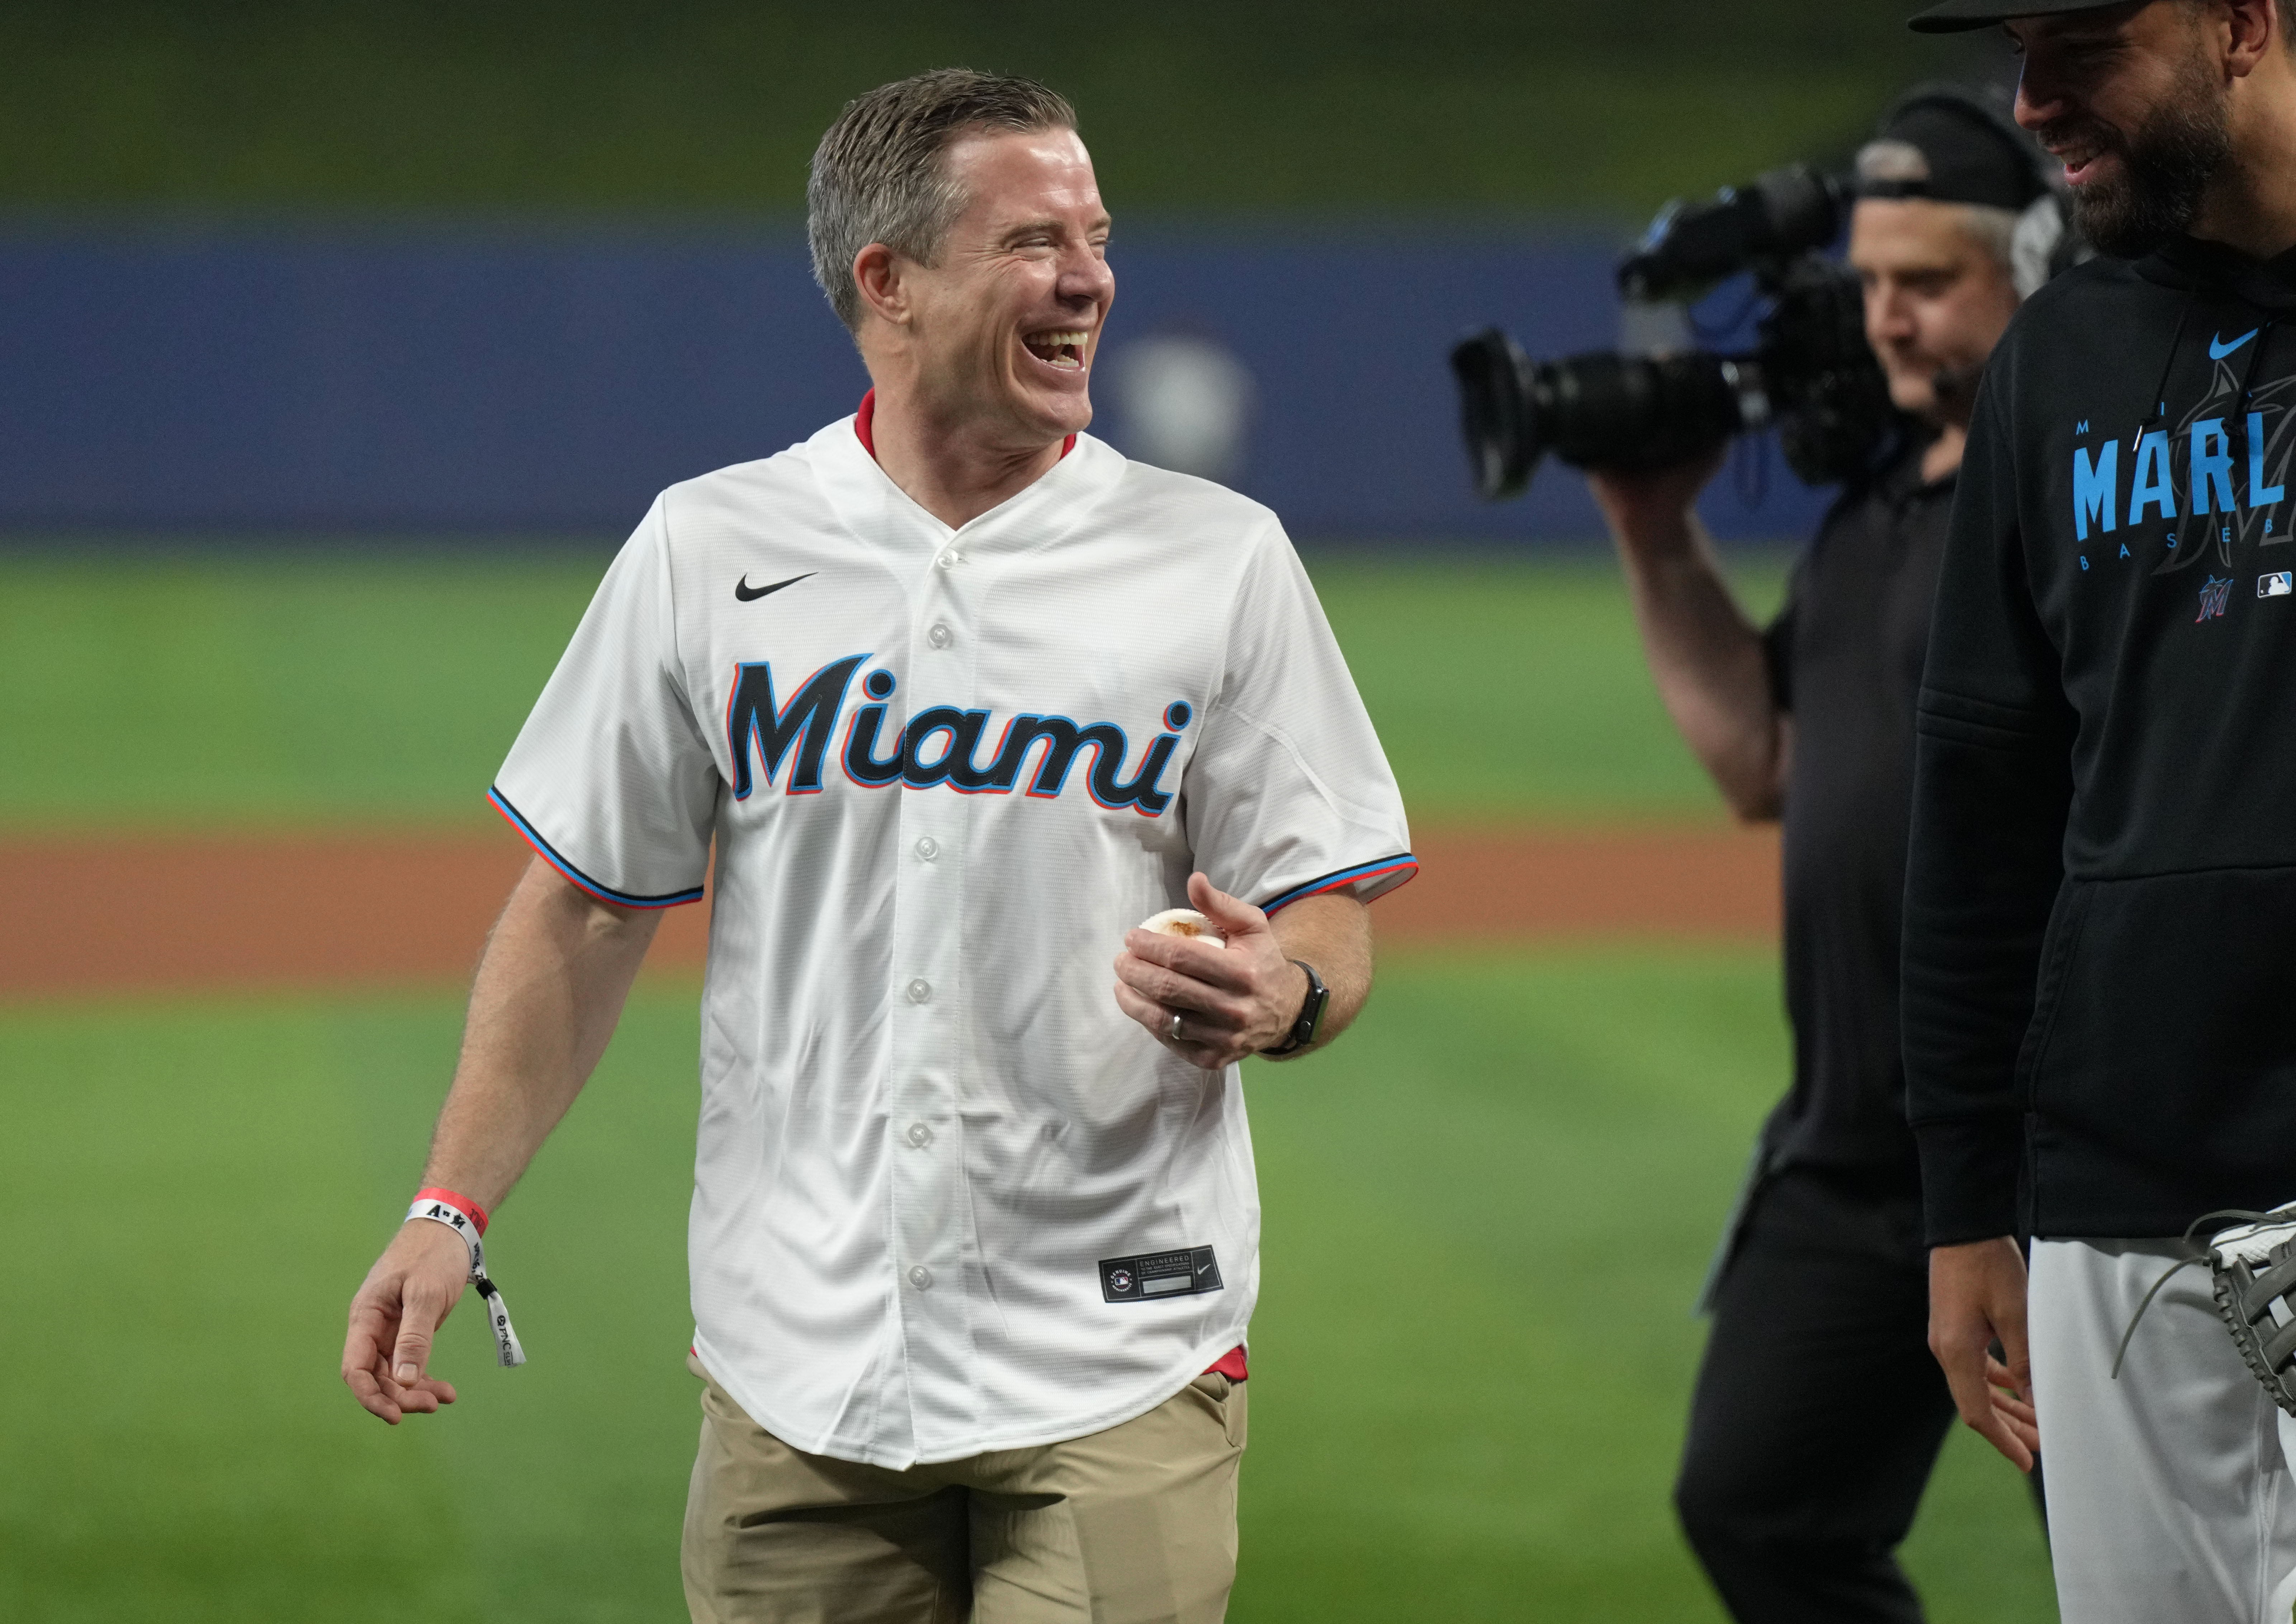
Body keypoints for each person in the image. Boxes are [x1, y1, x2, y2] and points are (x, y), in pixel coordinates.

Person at [339, 69, 1416, 1624]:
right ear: (888, 282)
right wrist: (449, 1209)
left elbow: (1326, 908)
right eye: (1034, 240)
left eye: (1097, 235)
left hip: (1119, 1348)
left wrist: (1287, 994)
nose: (1090, 278)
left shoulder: (1218, 560)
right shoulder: (711, 547)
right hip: (802, 1362)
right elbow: (580, 913)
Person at [1586, 88, 2051, 1623]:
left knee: (2139, 1550)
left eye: (1925, 283)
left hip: (2050, 1155)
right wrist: (1654, 535)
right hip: (1850, 1153)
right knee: (1757, 1506)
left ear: (2032, 273)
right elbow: (1760, 765)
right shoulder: (1872, 514)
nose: (1885, 320)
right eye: (1866, 286)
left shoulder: (2070, 506)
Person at [1898, 0, 2296, 1618]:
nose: (2031, 96)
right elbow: (1980, 803)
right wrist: (1963, 1209)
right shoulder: (2055, 363)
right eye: (2015, 45)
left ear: (2243, 25)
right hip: (2116, 1185)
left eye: (2080, 39)